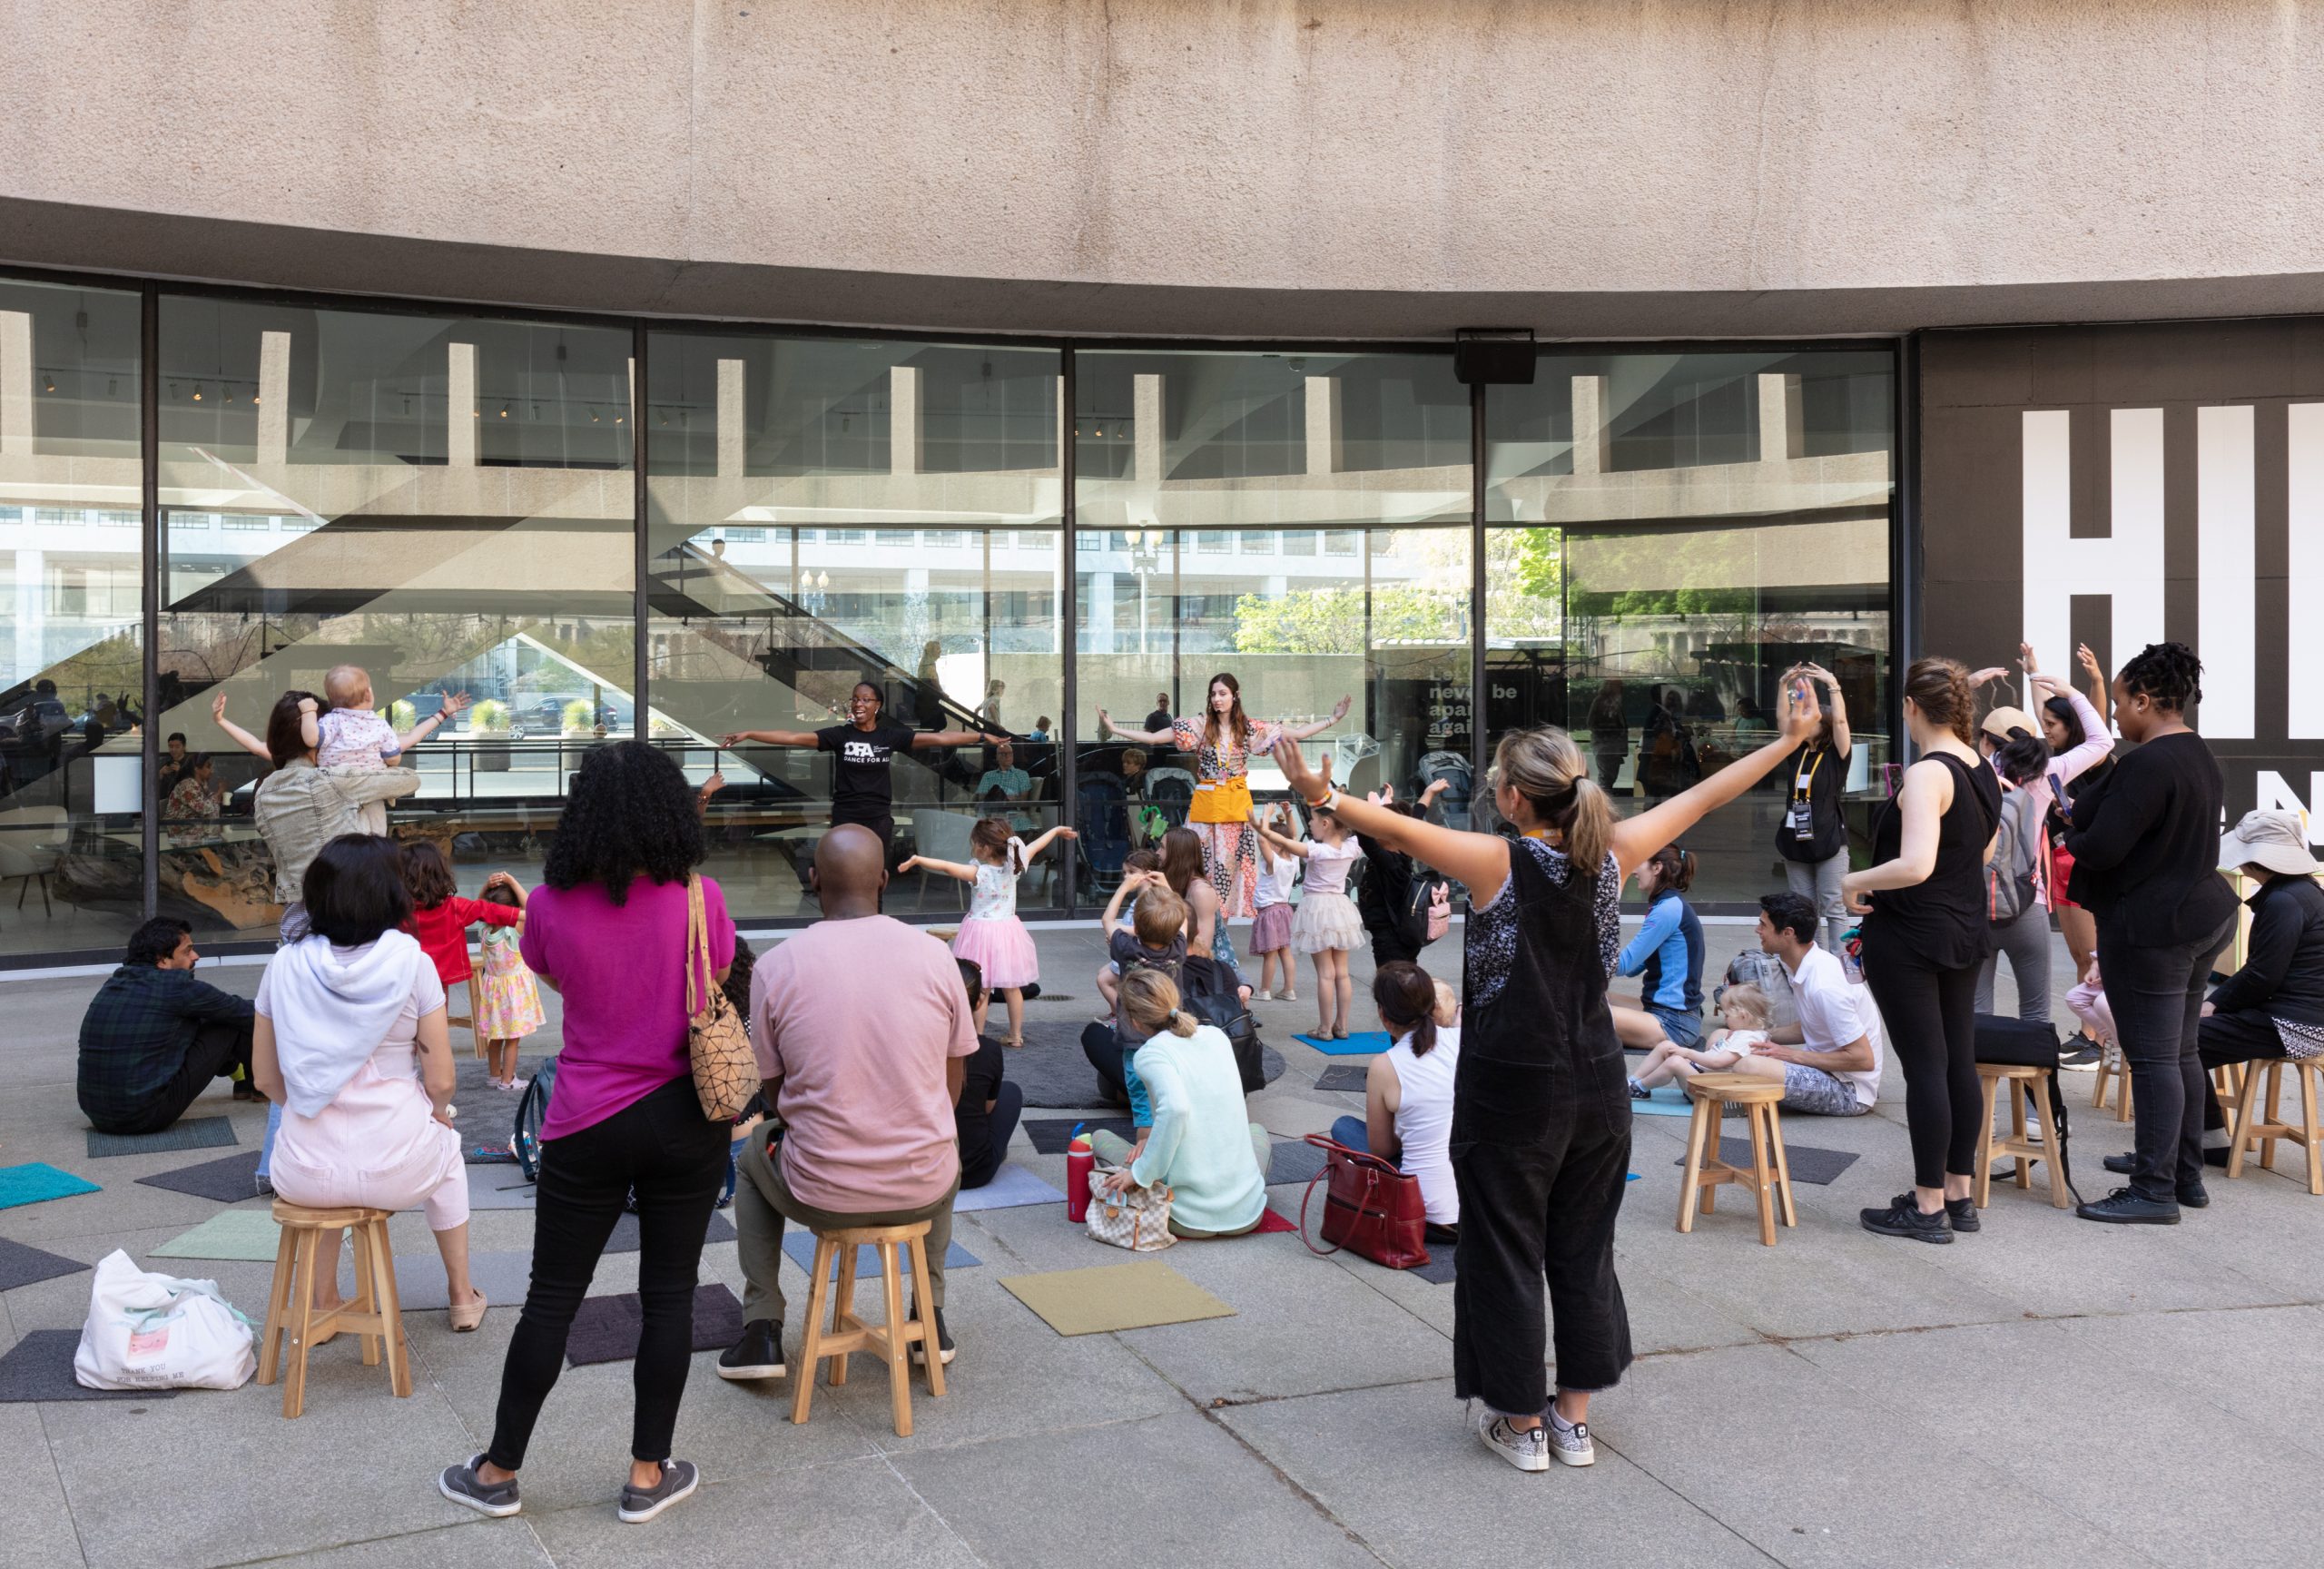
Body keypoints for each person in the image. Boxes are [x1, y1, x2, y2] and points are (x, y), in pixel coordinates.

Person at [1269, 686, 1820, 1475]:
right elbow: (1705, 796)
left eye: (1495, 781)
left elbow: (1396, 827)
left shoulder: (1500, 860)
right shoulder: (1613, 853)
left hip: (1511, 1090)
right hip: (1598, 1084)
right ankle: (1573, 1422)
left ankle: (1522, 1425)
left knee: (1504, 1250)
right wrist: (1787, 742)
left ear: (1516, 797)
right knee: (1584, 1251)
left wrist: (1322, 795)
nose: (1491, 792)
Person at [439, 742, 734, 1527]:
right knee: (669, 1297)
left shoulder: (550, 907)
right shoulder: (702, 898)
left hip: (585, 1120)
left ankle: (498, 1470)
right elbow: (717, 976)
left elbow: (556, 974)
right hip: (685, 1116)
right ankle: (647, 1474)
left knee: (550, 1301)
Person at [720, 823, 980, 1383]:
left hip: (821, 1191)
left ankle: (762, 1328)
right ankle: (928, 1314)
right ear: (885, 880)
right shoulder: (938, 958)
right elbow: (951, 1084)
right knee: (943, 1143)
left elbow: (773, 1093)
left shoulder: (775, 966)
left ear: (812, 880)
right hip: (920, 1188)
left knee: (750, 1157)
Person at [253, 834, 483, 1337]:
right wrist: (437, 1110)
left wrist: (316, 1106)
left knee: (325, 1189)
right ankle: (462, 1295)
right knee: (447, 1150)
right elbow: (442, 1079)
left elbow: (267, 1078)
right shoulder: (413, 962)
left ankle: (322, 1301)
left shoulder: (282, 965)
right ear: (392, 893)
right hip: (396, 1163)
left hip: (300, 1171)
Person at [216, 688, 425, 1198]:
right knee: (371, 1039)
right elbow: (408, 778)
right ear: (315, 738)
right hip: (348, 912)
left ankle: (276, 1160)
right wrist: (360, 758)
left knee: (296, 1043)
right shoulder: (331, 781)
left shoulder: (264, 792)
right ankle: (376, 1153)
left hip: (294, 918)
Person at [2061, 642, 2238, 1224]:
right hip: (2201, 915)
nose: (2115, 717)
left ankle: (2154, 1188)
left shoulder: (2148, 763)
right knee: (2179, 1052)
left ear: (2144, 700)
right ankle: (2181, 1174)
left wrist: (2070, 841)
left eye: (2119, 705)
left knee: (2156, 1058)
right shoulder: (2197, 754)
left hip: (2154, 927)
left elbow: (2105, 845)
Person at [1844, 657, 2001, 1242]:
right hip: (1963, 931)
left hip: (1911, 937)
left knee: (1926, 1069)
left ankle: (1929, 1207)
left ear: (1911, 707)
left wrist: (1854, 881)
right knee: (1958, 1061)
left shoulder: (1927, 774)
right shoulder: (1980, 766)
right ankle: (1958, 1195)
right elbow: (1981, 855)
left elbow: (1915, 865)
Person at [2102, 809, 2324, 1181]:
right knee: (2184, 1043)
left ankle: (2180, 1148)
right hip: (2301, 1018)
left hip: (2293, 1024)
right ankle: (2204, 1140)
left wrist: (2214, 1003)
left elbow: (2261, 976)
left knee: (2176, 1045)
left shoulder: (2285, 901)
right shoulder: (2303, 893)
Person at [1098, 672, 1350, 929]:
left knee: (1228, 872)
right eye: (1214, 694)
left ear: (1235, 696)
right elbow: (1154, 738)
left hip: (1234, 810)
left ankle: (1218, 934)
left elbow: (1294, 734)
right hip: (1206, 809)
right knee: (1196, 866)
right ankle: (1191, 928)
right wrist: (1115, 729)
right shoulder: (1200, 725)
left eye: (1223, 694)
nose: (1217, 699)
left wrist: (1333, 719)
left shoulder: (1249, 727)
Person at [719, 680, 1003, 872]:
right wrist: (749, 733)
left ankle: (873, 923)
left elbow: (939, 740)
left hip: (878, 818)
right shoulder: (840, 735)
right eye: (855, 699)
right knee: (844, 870)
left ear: (877, 705)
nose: (858, 704)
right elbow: (793, 736)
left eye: (865, 700)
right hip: (846, 816)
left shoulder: (890, 736)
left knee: (875, 874)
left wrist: (979, 735)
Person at [1091, 971, 1268, 1238]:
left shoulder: (1150, 1054)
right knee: (1257, 1132)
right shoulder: (1217, 1036)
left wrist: (1140, 1173)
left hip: (1185, 1216)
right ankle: (1240, 1189)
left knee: (1100, 1137)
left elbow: (1175, 1110)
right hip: (1248, 1213)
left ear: (1135, 1021)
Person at [902, 818, 1077, 1049]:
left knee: (981, 987)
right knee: (1012, 988)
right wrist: (1054, 830)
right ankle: (1016, 1035)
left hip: (980, 933)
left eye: (974, 843)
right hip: (1007, 932)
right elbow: (1036, 845)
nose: (972, 846)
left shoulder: (979, 873)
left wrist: (917, 859)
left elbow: (946, 866)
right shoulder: (1013, 868)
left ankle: (978, 1036)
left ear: (984, 847)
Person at [77, 916, 257, 1136]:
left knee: (208, 1013)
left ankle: (240, 1077)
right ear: (162, 960)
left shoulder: (115, 983)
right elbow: (253, 1014)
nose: (196, 956)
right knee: (231, 1018)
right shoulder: (178, 988)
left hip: (97, 1113)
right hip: (146, 1117)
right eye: (188, 951)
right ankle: (257, 1084)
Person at [1327, 961, 1462, 1238]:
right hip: (1475, 1209)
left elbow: (1381, 1150)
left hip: (1423, 1215)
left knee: (1344, 1127)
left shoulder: (1385, 1065)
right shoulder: (1462, 1039)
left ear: (1383, 1015)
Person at [2029, 644, 2117, 1061]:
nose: (2045, 729)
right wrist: (2032, 673)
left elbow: (2094, 725)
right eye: (2042, 723)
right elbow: (2047, 712)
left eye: (2052, 724)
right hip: (2059, 861)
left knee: (2092, 955)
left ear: (2071, 727)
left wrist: (2096, 681)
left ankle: (2097, 1037)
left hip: (2084, 861)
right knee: (2079, 954)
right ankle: (2091, 1031)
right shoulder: (2056, 758)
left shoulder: (2090, 760)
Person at [1742, 892, 1883, 1118]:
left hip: (1847, 1091)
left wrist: (1790, 1055)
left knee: (1748, 1066)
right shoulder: (1800, 965)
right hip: (1822, 1071)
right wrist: (1759, 1035)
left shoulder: (1824, 987)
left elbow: (1863, 1059)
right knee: (1723, 1038)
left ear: (1788, 933)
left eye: (1763, 925)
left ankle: (1722, 1091)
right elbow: (1810, 1026)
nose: (1758, 930)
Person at [397, 842, 525, 1071]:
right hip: (437, 985)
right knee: (434, 1036)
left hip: (401, 982)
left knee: (403, 1036)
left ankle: (403, 1076)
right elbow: (490, 910)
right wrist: (536, 912)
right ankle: (436, 1089)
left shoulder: (396, 912)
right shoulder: (454, 907)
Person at [300, 665, 471, 834]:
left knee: (341, 836)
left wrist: (308, 712)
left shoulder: (330, 721)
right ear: (368, 694)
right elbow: (397, 753)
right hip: (373, 789)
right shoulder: (379, 724)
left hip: (335, 790)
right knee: (376, 831)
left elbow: (311, 738)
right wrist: (444, 713)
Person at [1971, 707, 2053, 1023]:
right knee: (2036, 1013)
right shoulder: (2042, 781)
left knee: (1977, 1013)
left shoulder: (1965, 776)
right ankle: (2033, 1075)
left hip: (1977, 907)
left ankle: (1977, 1075)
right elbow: (2100, 742)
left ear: (1984, 741)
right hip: (2026, 904)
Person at [1255, 804, 1363, 1040]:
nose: (1310, 824)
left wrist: (1262, 823)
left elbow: (1281, 841)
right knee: (1342, 973)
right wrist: (1382, 803)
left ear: (1325, 824)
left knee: (1325, 973)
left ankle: (1324, 1028)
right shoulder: (1351, 848)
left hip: (1317, 908)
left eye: (1312, 820)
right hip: (1341, 907)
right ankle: (1342, 1026)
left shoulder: (1317, 850)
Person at [1088, 870, 1189, 1116]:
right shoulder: (1178, 949)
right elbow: (1183, 920)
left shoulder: (1126, 948)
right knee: (1166, 1076)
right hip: (1171, 1031)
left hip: (1134, 1034)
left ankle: (1143, 1131)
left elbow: (1107, 921)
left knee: (1138, 1086)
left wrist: (1125, 887)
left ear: (1136, 925)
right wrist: (1167, 886)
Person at [1772, 662, 1853, 954]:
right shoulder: (1798, 752)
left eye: (1811, 718)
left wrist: (1832, 684)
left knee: (1834, 906)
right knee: (1803, 911)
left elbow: (1842, 723)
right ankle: (1811, 965)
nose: (1804, 721)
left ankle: (1841, 967)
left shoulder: (1837, 756)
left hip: (1829, 839)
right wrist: (1784, 685)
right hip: (1795, 841)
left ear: (1824, 725)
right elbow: (1784, 721)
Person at [1610, 845, 1703, 1049]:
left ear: (1657, 868)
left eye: (1640, 863)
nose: (1634, 871)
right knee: (1591, 998)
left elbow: (1622, 965)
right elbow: (1633, 968)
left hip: (1674, 1023)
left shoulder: (1667, 910)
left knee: (1581, 1011)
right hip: (1662, 1012)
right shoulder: (1668, 905)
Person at [1354, 780, 1452, 971]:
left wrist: (1367, 811)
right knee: (1404, 977)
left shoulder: (1388, 862)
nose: (1373, 831)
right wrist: (1428, 793)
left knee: (1392, 983)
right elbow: (1413, 821)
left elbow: (1364, 835)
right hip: (1403, 933)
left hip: (1390, 936)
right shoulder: (1403, 853)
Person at [950, 960, 1024, 1189]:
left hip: (923, 1170)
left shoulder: (916, 1046)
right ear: (980, 1000)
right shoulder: (988, 1049)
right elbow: (988, 1108)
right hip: (973, 1169)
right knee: (1010, 1091)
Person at [1627, 983, 1773, 1095]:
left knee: (1675, 1061)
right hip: (1701, 1076)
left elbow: (1717, 1063)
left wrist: (1688, 1053)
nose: (1725, 1018)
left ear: (1743, 1016)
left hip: (1709, 1089)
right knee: (1666, 1046)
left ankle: (1640, 1088)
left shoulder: (1748, 1039)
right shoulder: (1743, 1032)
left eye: (1727, 1015)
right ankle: (1632, 1080)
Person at [471, 879, 545, 1091]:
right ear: (513, 909)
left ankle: (495, 1075)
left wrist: (485, 886)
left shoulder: (486, 931)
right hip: (514, 995)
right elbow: (530, 907)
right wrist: (512, 881)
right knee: (513, 1039)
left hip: (494, 992)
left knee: (496, 1036)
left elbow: (476, 908)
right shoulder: (515, 929)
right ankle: (507, 1081)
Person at [1249, 803, 1300, 1001]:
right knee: (1285, 952)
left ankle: (1265, 991)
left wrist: (1266, 816)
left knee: (1270, 954)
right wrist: (1289, 815)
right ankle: (1289, 989)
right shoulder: (1293, 859)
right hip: (1285, 910)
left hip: (1269, 911)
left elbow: (1262, 840)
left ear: (1276, 844)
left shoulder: (1275, 862)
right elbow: (1293, 837)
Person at [162, 752, 223, 844]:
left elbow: (212, 809)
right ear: (196, 769)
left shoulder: (202, 785)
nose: (212, 771)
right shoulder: (187, 785)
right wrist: (219, 792)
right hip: (182, 834)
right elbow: (206, 809)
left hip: (197, 831)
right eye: (208, 767)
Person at [1586, 681, 1629, 793]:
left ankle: (1603, 801)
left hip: (1613, 746)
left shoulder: (1615, 702)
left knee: (1610, 777)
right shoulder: (1600, 701)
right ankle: (1601, 803)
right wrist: (1606, 736)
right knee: (1606, 777)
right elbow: (1591, 723)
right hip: (1605, 746)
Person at [156, 731, 192, 799]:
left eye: (177, 747)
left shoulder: (191, 761)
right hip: (165, 800)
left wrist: (180, 772)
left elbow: (195, 784)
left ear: (184, 747)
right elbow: (152, 785)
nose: (173, 750)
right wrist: (161, 773)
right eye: (171, 746)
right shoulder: (164, 762)